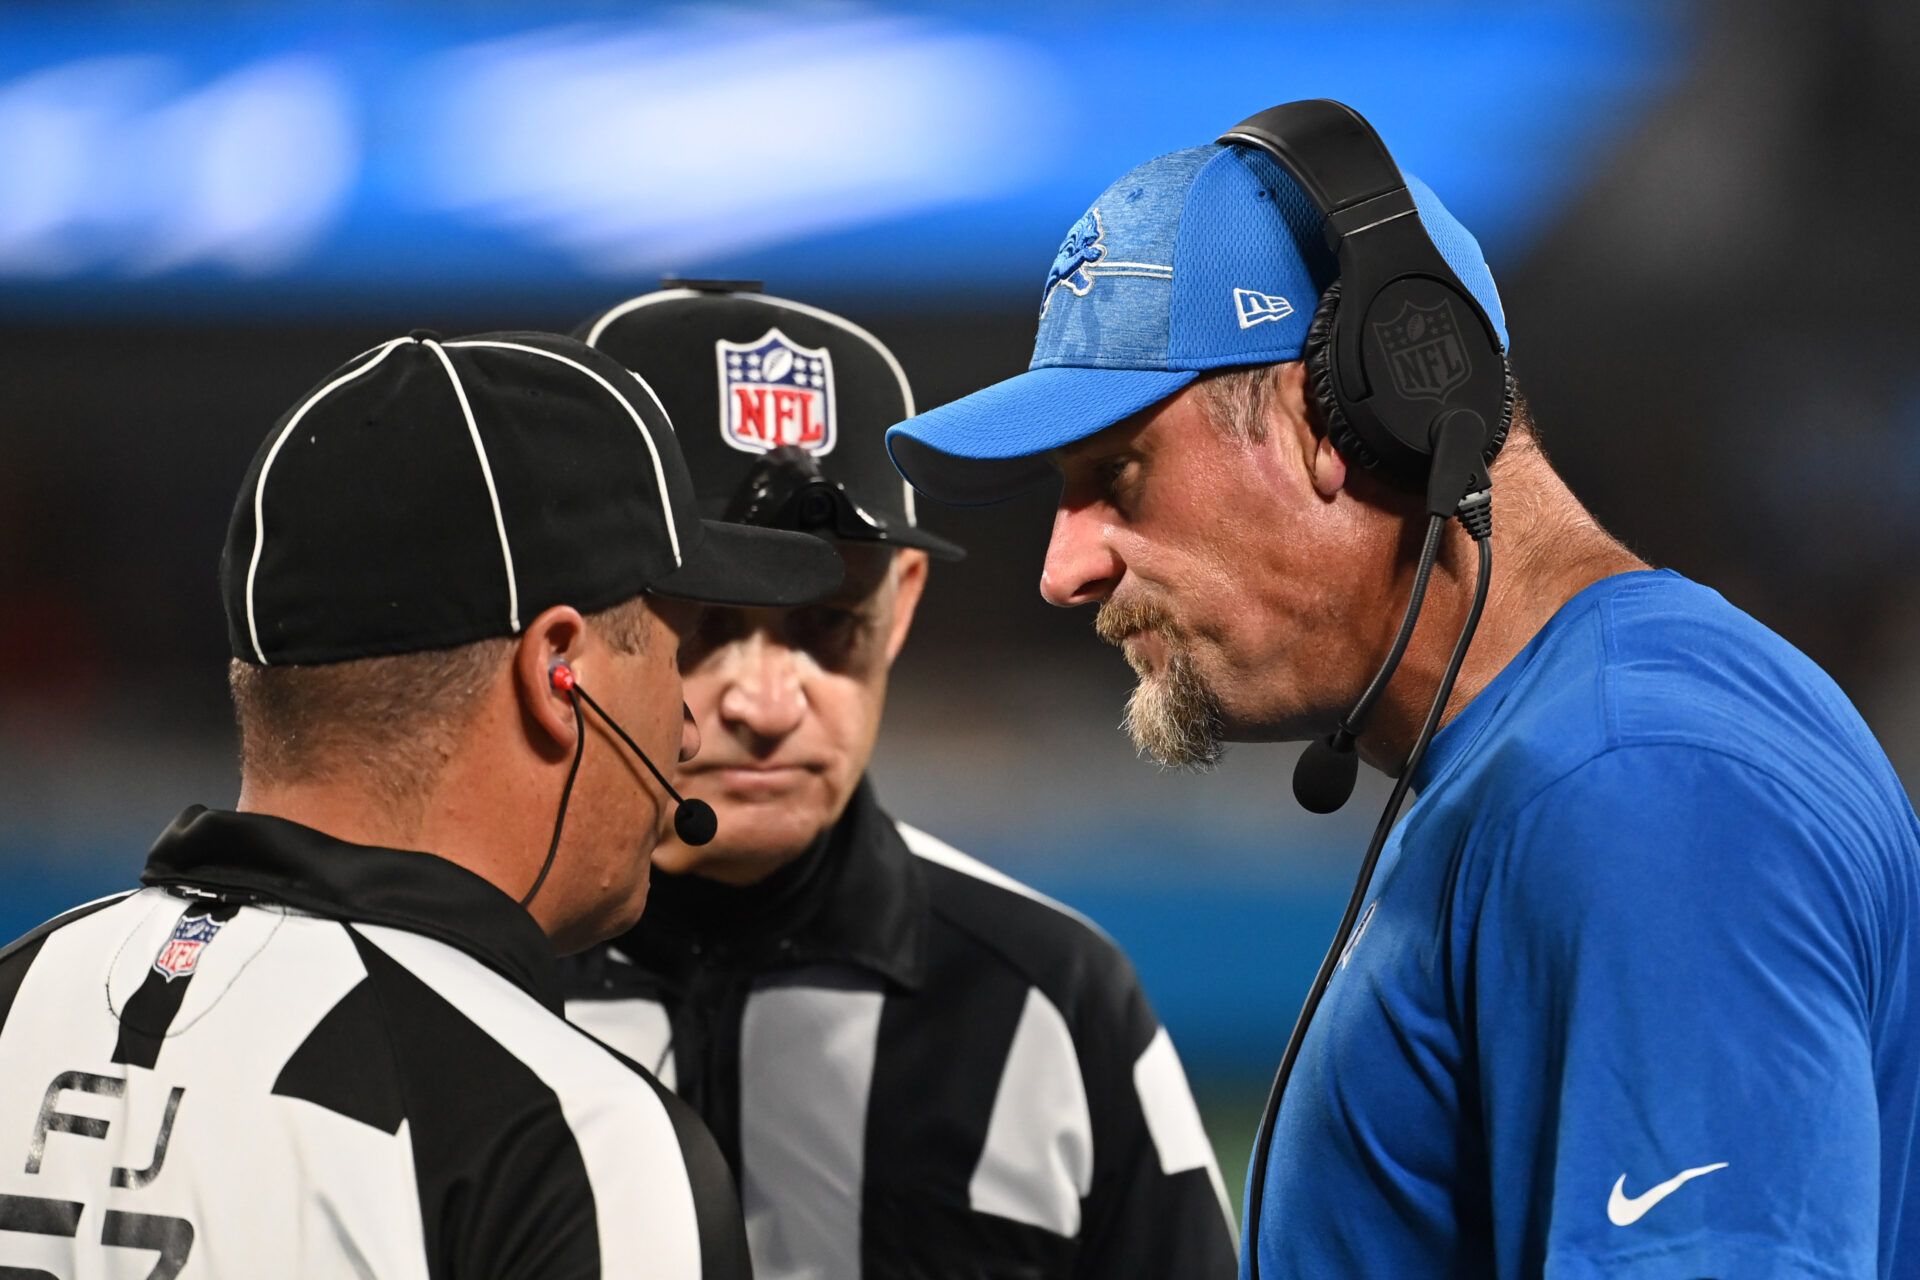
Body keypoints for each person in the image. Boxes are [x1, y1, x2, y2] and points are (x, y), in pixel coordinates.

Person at [884, 104, 1920, 1278]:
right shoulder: (1552, 754)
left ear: (1335, 412)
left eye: (1117, 476)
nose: (1065, 569)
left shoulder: (1640, 781)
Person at [0, 329, 843, 1277]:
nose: (689, 728)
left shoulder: (15, 995)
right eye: (675, 647)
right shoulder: (570, 1141)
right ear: (557, 671)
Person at [561, 282, 1239, 1279]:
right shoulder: (446, 986)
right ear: (571, 614)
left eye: (829, 619)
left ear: (902, 603)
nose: (766, 700)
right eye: (705, 620)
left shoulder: (1049, 999)